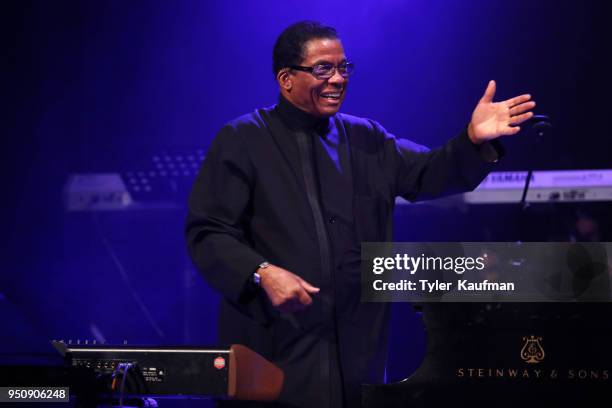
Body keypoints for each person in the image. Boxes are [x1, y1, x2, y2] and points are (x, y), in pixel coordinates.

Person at [185, 21, 535, 408]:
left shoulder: (367, 139)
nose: (337, 79)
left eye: (343, 68)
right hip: (278, 348)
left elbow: (429, 173)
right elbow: (208, 231)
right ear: (286, 79)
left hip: (356, 350)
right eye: (323, 69)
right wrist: (262, 271)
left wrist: (472, 141)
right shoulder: (242, 139)